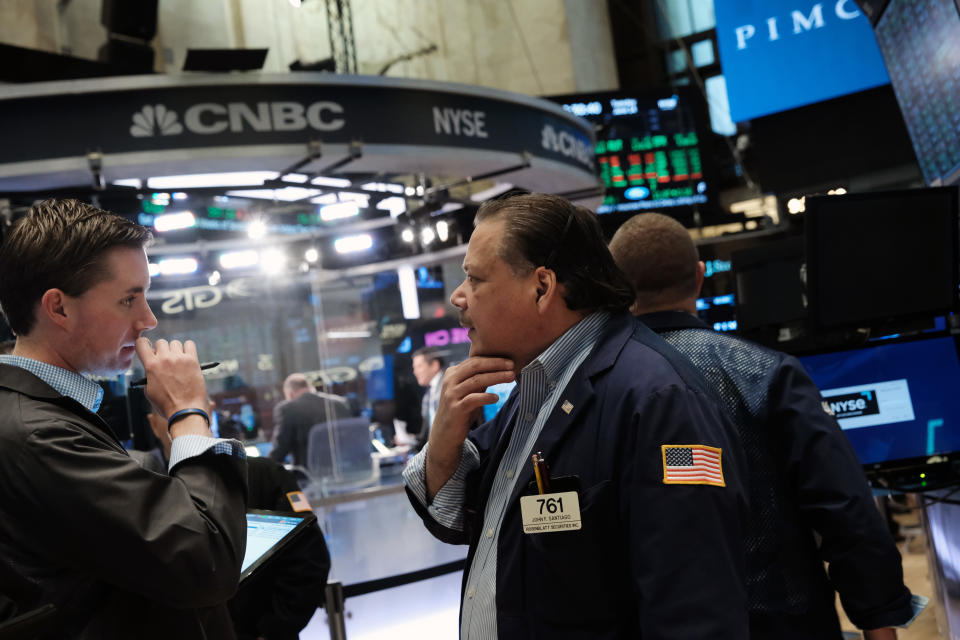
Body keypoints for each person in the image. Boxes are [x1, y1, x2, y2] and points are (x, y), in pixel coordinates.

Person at [402, 193, 749, 638]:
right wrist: (445, 440)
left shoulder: (659, 401)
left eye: (474, 278)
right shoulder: (539, 386)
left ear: (542, 287)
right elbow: (458, 516)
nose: (458, 297)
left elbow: (696, 609)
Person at [608, 212, 915, 640]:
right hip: (781, 624)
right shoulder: (766, 372)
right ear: (699, 278)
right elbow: (845, 508)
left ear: (617, 288)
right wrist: (878, 621)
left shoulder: (595, 389)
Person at [0, 199, 248, 638]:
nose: (148, 320)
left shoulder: (34, 413)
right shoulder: (38, 434)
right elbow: (206, 562)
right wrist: (187, 411)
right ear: (58, 308)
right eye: (129, 299)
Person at [138, 408, 331, 640]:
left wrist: (273, 629)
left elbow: (309, 561)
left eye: (198, 410)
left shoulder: (262, 474)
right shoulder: (146, 490)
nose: (186, 420)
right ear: (153, 424)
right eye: (169, 412)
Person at [270, 373, 351, 467]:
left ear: (290, 393)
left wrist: (264, 468)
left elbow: (280, 449)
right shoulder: (339, 403)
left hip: (309, 476)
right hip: (344, 470)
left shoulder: (288, 409)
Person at [411, 346, 446, 446]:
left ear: (434, 365)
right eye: (414, 368)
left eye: (419, 366)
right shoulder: (429, 392)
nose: (415, 372)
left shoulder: (448, 385)